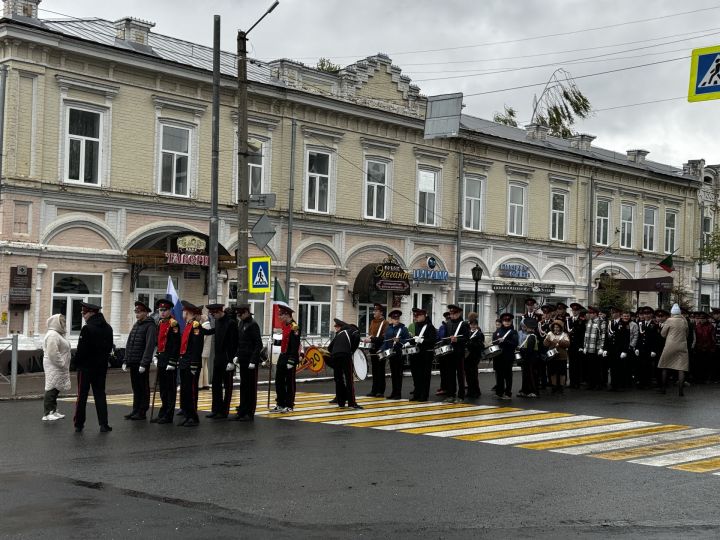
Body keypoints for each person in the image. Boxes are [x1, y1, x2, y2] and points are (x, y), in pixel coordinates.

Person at [73, 302, 114, 433]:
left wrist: (75, 363)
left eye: (84, 313)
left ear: (91, 313)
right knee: (100, 394)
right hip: (100, 367)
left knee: (82, 396)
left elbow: (81, 351)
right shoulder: (108, 328)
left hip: (85, 368)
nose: (83, 316)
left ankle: (79, 423)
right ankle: (104, 424)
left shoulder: (87, 329)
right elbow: (109, 348)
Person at [123, 300, 157, 421]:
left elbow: (149, 345)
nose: (137, 314)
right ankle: (135, 409)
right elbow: (129, 342)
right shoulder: (137, 324)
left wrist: (144, 362)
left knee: (143, 387)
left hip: (141, 362)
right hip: (133, 361)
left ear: (146, 313)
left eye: (139, 312)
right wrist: (126, 359)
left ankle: (142, 411)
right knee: (136, 387)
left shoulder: (150, 326)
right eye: (136, 312)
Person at [204, 303, 239, 420]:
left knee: (227, 386)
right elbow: (214, 331)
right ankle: (216, 409)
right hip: (218, 358)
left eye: (214, 314)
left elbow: (234, 343)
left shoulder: (231, 323)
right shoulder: (218, 321)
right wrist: (202, 330)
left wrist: (231, 361)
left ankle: (224, 411)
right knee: (216, 385)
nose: (213, 317)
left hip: (227, 359)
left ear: (219, 312)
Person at [177, 301, 206, 427]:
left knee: (192, 391)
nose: (182, 313)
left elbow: (197, 347)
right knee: (185, 391)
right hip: (184, 362)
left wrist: (194, 364)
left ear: (188, 313)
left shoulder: (195, 326)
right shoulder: (188, 325)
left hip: (191, 364)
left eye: (184, 311)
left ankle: (193, 417)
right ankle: (188, 415)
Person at [153, 298, 181, 424]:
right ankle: (162, 412)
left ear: (170, 311)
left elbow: (175, 344)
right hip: (161, 359)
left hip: (170, 360)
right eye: (161, 310)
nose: (163, 312)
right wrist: (156, 355)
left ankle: (168, 415)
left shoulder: (173, 324)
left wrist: (172, 361)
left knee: (170, 389)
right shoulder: (160, 323)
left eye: (165, 310)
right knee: (163, 389)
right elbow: (159, 341)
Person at [233, 305, 263, 421]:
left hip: (251, 362)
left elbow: (258, 344)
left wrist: (253, 360)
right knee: (243, 386)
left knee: (250, 388)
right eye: (238, 315)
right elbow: (240, 342)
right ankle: (242, 410)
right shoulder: (241, 323)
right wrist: (236, 355)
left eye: (240, 314)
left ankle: (249, 413)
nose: (239, 317)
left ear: (246, 312)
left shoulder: (253, 324)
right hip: (243, 360)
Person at [42, 314, 71, 422]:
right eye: (62, 322)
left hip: (58, 366)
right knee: (51, 388)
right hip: (54, 365)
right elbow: (53, 353)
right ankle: (47, 413)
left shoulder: (58, 334)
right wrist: (62, 364)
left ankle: (53, 411)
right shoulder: (53, 335)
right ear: (56, 323)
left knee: (56, 388)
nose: (64, 324)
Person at [329, 318, 362, 409]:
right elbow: (357, 338)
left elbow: (329, 347)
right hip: (345, 355)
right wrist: (352, 350)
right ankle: (352, 403)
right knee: (349, 379)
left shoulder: (339, 334)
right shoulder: (353, 331)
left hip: (335, 356)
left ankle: (341, 403)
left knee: (339, 379)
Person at [273, 303, 301, 412]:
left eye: (281, 315)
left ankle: (289, 405)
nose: (279, 317)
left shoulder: (294, 327)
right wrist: (275, 341)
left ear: (287, 315)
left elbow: (295, 345)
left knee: (289, 382)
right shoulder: (284, 326)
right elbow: (284, 341)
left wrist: (292, 360)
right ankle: (280, 403)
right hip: (282, 355)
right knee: (279, 381)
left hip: (290, 357)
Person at [658, 303, 690, 396]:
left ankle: (663, 389)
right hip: (682, 346)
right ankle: (680, 391)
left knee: (664, 366)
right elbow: (687, 334)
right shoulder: (684, 320)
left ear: (672, 313)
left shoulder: (669, 320)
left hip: (670, 345)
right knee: (681, 368)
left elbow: (663, 334)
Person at [380, 309, 410, 399]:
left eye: (397, 318)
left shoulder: (403, 329)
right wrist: (381, 349)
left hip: (399, 354)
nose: (396, 320)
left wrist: (399, 340)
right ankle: (393, 393)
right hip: (391, 354)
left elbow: (408, 341)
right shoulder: (388, 328)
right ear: (391, 319)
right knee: (393, 374)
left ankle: (398, 394)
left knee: (398, 374)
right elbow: (385, 342)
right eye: (394, 318)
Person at [443, 304, 469, 403]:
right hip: (450, 352)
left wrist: (457, 339)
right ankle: (450, 394)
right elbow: (445, 337)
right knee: (450, 374)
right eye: (451, 313)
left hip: (459, 352)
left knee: (460, 375)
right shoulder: (448, 323)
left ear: (459, 313)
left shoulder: (464, 324)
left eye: (454, 313)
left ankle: (461, 395)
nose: (452, 315)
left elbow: (467, 338)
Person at [409, 307, 437, 402]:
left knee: (425, 376)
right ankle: (417, 394)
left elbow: (433, 340)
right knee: (417, 375)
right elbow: (416, 339)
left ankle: (424, 396)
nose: (416, 318)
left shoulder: (429, 326)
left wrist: (422, 340)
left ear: (423, 316)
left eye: (418, 316)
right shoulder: (417, 325)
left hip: (426, 354)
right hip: (417, 354)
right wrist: (411, 341)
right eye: (415, 316)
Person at [492, 313, 518, 400]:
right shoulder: (498, 331)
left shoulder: (513, 332)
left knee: (508, 376)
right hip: (498, 356)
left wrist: (505, 341)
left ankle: (508, 393)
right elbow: (494, 342)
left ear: (511, 322)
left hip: (508, 356)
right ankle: (499, 392)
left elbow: (515, 344)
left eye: (508, 321)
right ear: (502, 321)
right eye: (505, 321)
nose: (506, 322)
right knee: (499, 375)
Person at [364, 303, 388, 398]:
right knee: (374, 370)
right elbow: (371, 334)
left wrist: (372, 339)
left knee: (380, 370)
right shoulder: (373, 322)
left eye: (376, 311)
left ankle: (380, 391)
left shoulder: (385, 323)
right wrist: (368, 338)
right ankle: (374, 390)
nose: (374, 312)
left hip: (381, 349)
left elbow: (383, 338)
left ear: (381, 313)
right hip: (373, 348)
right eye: (374, 310)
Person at [581, 306, 606, 390]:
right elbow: (586, 335)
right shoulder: (589, 322)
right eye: (589, 313)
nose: (589, 314)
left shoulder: (601, 322)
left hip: (596, 348)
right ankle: (591, 384)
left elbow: (603, 335)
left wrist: (602, 348)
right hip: (589, 348)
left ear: (595, 314)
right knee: (590, 367)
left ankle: (598, 384)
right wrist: (584, 346)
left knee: (597, 368)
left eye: (591, 313)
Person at [544, 320, 570, 394]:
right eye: (554, 327)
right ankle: (554, 386)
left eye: (557, 327)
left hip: (562, 357)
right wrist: (548, 339)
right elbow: (545, 344)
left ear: (561, 328)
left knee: (562, 372)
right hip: (552, 356)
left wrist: (559, 342)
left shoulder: (564, 334)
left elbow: (568, 344)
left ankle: (561, 387)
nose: (556, 329)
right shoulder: (549, 334)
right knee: (553, 372)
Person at [516, 317, 539, 398]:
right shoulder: (529, 336)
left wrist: (521, 350)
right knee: (525, 375)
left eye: (526, 326)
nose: (524, 328)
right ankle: (525, 390)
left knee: (531, 376)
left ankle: (534, 391)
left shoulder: (532, 336)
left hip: (530, 360)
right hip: (527, 360)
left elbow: (529, 350)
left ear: (529, 328)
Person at [464, 314, 484, 400]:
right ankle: (469, 391)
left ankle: (476, 391)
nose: (473, 326)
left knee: (473, 375)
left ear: (477, 325)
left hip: (475, 356)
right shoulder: (467, 333)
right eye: (471, 324)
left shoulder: (479, 334)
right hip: (467, 356)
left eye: (475, 324)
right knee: (468, 374)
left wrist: (471, 344)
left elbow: (481, 345)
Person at [693, 312, 715, 385]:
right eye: (700, 319)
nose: (701, 320)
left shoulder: (710, 326)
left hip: (708, 348)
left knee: (707, 364)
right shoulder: (697, 326)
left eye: (703, 319)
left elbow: (712, 338)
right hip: (699, 347)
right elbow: (696, 337)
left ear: (706, 319)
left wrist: (711, 347)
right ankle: (700, 378)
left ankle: (707, 378)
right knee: (699, 364)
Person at [567, 303, 586, 388]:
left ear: (579, 311)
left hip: (578, 346)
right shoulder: (569, 320)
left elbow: (583, 334)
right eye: (573, 310)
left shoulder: (582, 320)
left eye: (576, 310)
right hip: (570, 346)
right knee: (571, 365)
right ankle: (572, 382)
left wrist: (582, 346)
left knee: (578, 365)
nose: (574, 312)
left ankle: (577, 383)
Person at [435, 311, 452, 397]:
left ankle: (447, 388)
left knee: (447, 371)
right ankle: (443, 387)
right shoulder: (442, 327)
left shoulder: (451, 326)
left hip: (448, 351)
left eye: (449, 318)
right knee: (442, 370)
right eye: (446, 318)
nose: (447, 320)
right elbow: (438, 337)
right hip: (441, 350)